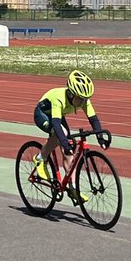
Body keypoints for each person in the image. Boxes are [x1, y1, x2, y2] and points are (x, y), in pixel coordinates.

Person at [33, 69, 106, 204]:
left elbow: (93, 119)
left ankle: (71, 188)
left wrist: (100, 137)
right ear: (71, 94)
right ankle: (40, 158)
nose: (82, 102)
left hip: (58, 115)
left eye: (85, 99)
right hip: (43, 114)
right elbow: (55, 123)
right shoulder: (58, 98)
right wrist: (64, 144)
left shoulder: (83, 100)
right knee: (62, 135)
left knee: (69, 153)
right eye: (80, 98)